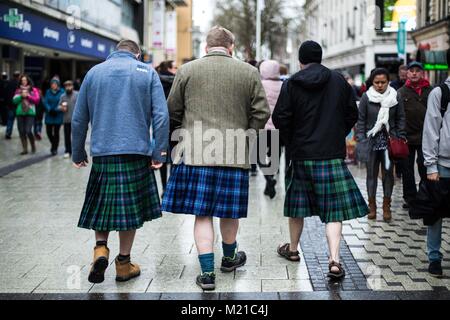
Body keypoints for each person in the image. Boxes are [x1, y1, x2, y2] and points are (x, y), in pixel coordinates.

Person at [162, 26, 270, 290]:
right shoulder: (248, 72)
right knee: (229, 212)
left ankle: (207, 274)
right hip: (234, 152)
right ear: (231, 47)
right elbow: (262, 112)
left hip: (196, 153)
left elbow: (172, 110)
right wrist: (247, 135)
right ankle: (230, 257)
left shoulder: (187, 70)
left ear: (206, 47)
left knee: (203, 214)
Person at [72, 40, 169, 284]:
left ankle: (100, 249)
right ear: (137, 54)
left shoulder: (94, 73)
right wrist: (159, 153)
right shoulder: (147, 72)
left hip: (103, 153)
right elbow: (161, 116)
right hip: (136, 152)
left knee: (102, 205)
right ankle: (123, 265)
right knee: (129, 211)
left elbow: (78, 118)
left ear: (114, 52)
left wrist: (77, 152)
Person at [273, 40, 368, 280]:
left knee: (297, 207)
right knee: (333, 210)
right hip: (331, 154)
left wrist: (292, 140)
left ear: (300, 61)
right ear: (321, 57)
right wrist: (336, 133)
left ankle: (293, 250)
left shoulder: (292, 83)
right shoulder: (338, 81)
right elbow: (351, 114)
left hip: (302, 154)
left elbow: (280, 117)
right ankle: (334, 260)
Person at [356, 68, 406, 222]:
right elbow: (361, 121)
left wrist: (400, 135)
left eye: (383, 82)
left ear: (388, 82)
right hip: (371, 142)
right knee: (371, 175)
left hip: (389, 143)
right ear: (372, 82)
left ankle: (386, 206)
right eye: (376, 82)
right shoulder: (366, 97)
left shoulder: (395, 96)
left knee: (388, 175)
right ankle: (372, 207)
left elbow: (400, 118)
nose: (379, 85)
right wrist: (361, 138)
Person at [422, 52, 450, 278]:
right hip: (442, 164)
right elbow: (431, 132)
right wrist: (430, 166)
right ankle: (434, 258)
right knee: (436, 213)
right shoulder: (440, 93)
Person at [397, 62, 432, 209]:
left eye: (418, 71)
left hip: (426, 136)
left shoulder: (431, 91)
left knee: (424, 167)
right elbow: (397, 115)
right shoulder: (401, 92)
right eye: (411, 71)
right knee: (407, 169)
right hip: (407, 137)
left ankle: (425, 196)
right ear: (407, 73)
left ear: (422, 73)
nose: (414, 73)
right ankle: (410, 198)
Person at [259, 60, 283, 199]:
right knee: (275, 157)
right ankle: (270, 179)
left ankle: (268, 179)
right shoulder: (283, 85)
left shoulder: (260, 85)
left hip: (262, 127)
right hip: (277, 128)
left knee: (258, 156)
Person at [157, 60, 177, 191]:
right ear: (169, 68)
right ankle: (172, 187)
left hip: (160, 123)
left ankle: (164, 187)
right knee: (175, 157)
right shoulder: (176, 81)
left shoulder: (156, 80)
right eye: (175, 67)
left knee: (162, 155)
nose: (177, 69)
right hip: (175, 123)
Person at [12, 74, 40, 154]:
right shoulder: (18, 90)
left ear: (28, 81)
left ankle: (33, 144)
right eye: (22, 80)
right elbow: (14, 101)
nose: (24, 82)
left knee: (28, 130)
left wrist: (28, 96)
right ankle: (25, 149)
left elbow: (37, 100)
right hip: (20, 112)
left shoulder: (33, 90)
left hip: (30, 112)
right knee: (21, 131)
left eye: (25, 80)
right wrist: (21, 96)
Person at [44, 79, 65, 155]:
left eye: (55, 84)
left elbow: (63, 103)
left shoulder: (62, 92)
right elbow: (45, 101)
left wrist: (56, 109)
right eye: (52, 84)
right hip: (49, 114)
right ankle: (54, 143)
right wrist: (49, 109)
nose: (53, 85)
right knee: (48, 132)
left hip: (58, 115)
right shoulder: (48, 92)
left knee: (56, 133)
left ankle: (54, 148)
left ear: (58, 85)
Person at [59, 80, 79, 159]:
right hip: (66, 119)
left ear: (72, 86)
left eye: (69, 86)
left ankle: (76, 151)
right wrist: (61, 108)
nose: (68, 87)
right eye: (66, 86)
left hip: (76, 120)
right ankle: (67, 151)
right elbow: (59, 106)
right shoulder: (63, 96)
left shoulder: (77, 95)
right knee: (67, 136)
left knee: (76, 136)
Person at [5, 71, 20, 139]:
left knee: (10, 119)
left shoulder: (9, 83)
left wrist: (7, 104)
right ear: (18, 76)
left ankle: (8, 132)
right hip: (18, 105)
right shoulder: (19, 84)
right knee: (20, 121)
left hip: (10, 105)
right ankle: (21, 133)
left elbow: (7, 94)